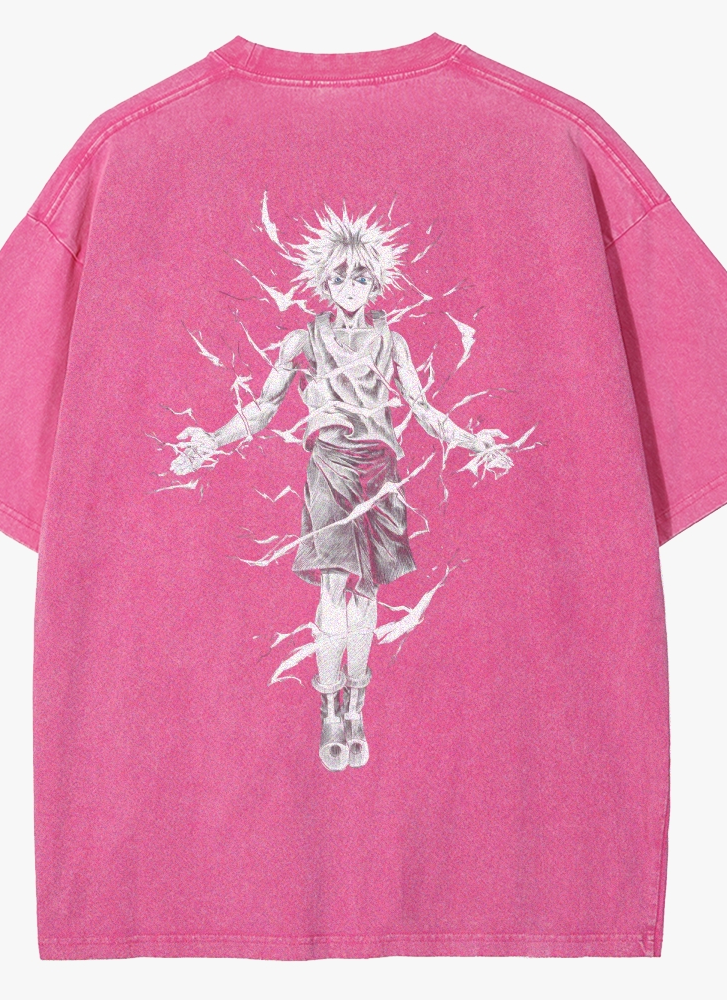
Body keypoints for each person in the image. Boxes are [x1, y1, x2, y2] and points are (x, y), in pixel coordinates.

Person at [171, 206, 512, 770]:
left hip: (380, 472)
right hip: (329, 468)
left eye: (360, 277)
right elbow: (263, 408)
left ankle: (356, 706)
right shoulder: (302, 341)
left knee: (368, 593)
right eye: (339, 277)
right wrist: (210, 439)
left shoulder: (392, 342)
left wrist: (476, 443)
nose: (349, 287)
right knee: (332, 590)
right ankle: (329, 707)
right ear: (323, 282)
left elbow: (424, 410)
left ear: (375, 284)